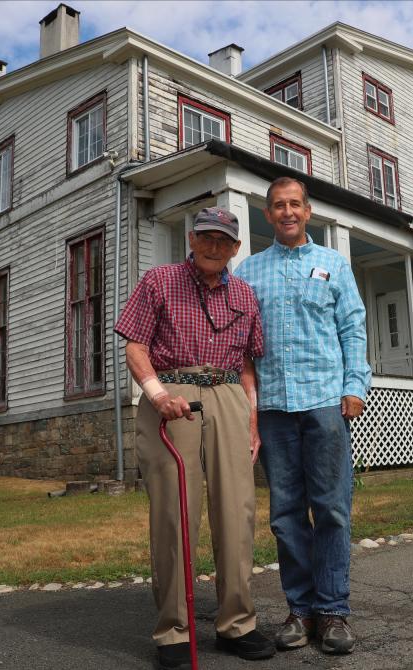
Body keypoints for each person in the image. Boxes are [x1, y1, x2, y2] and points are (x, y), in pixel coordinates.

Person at [114, 207, 274, 670]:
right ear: (191, 237)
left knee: (237, 512)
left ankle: (237, 623)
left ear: (236, 248)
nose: (214, 246)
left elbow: (247, 363)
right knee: (174, 513)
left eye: (224, 241)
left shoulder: (244, 292)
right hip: (171, 392)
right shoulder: (159, 280)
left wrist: (252, 419)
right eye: (206, 237)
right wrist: (156, 393)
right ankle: (173, 631)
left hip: (228, 395)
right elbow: (135, 345)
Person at [236, 176, 371, 655]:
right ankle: (300, 609)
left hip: (325, 403)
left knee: (332, 508)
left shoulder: (333, 264)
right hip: (273, 407)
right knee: (286, 514)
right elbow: (241, 345)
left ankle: (333, 612)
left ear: (308, 211)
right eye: (278, 205)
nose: (287, 212)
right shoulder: (249, 272)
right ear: (268, 215)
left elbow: (353, 329)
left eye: (295, 204)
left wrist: (355, 386)